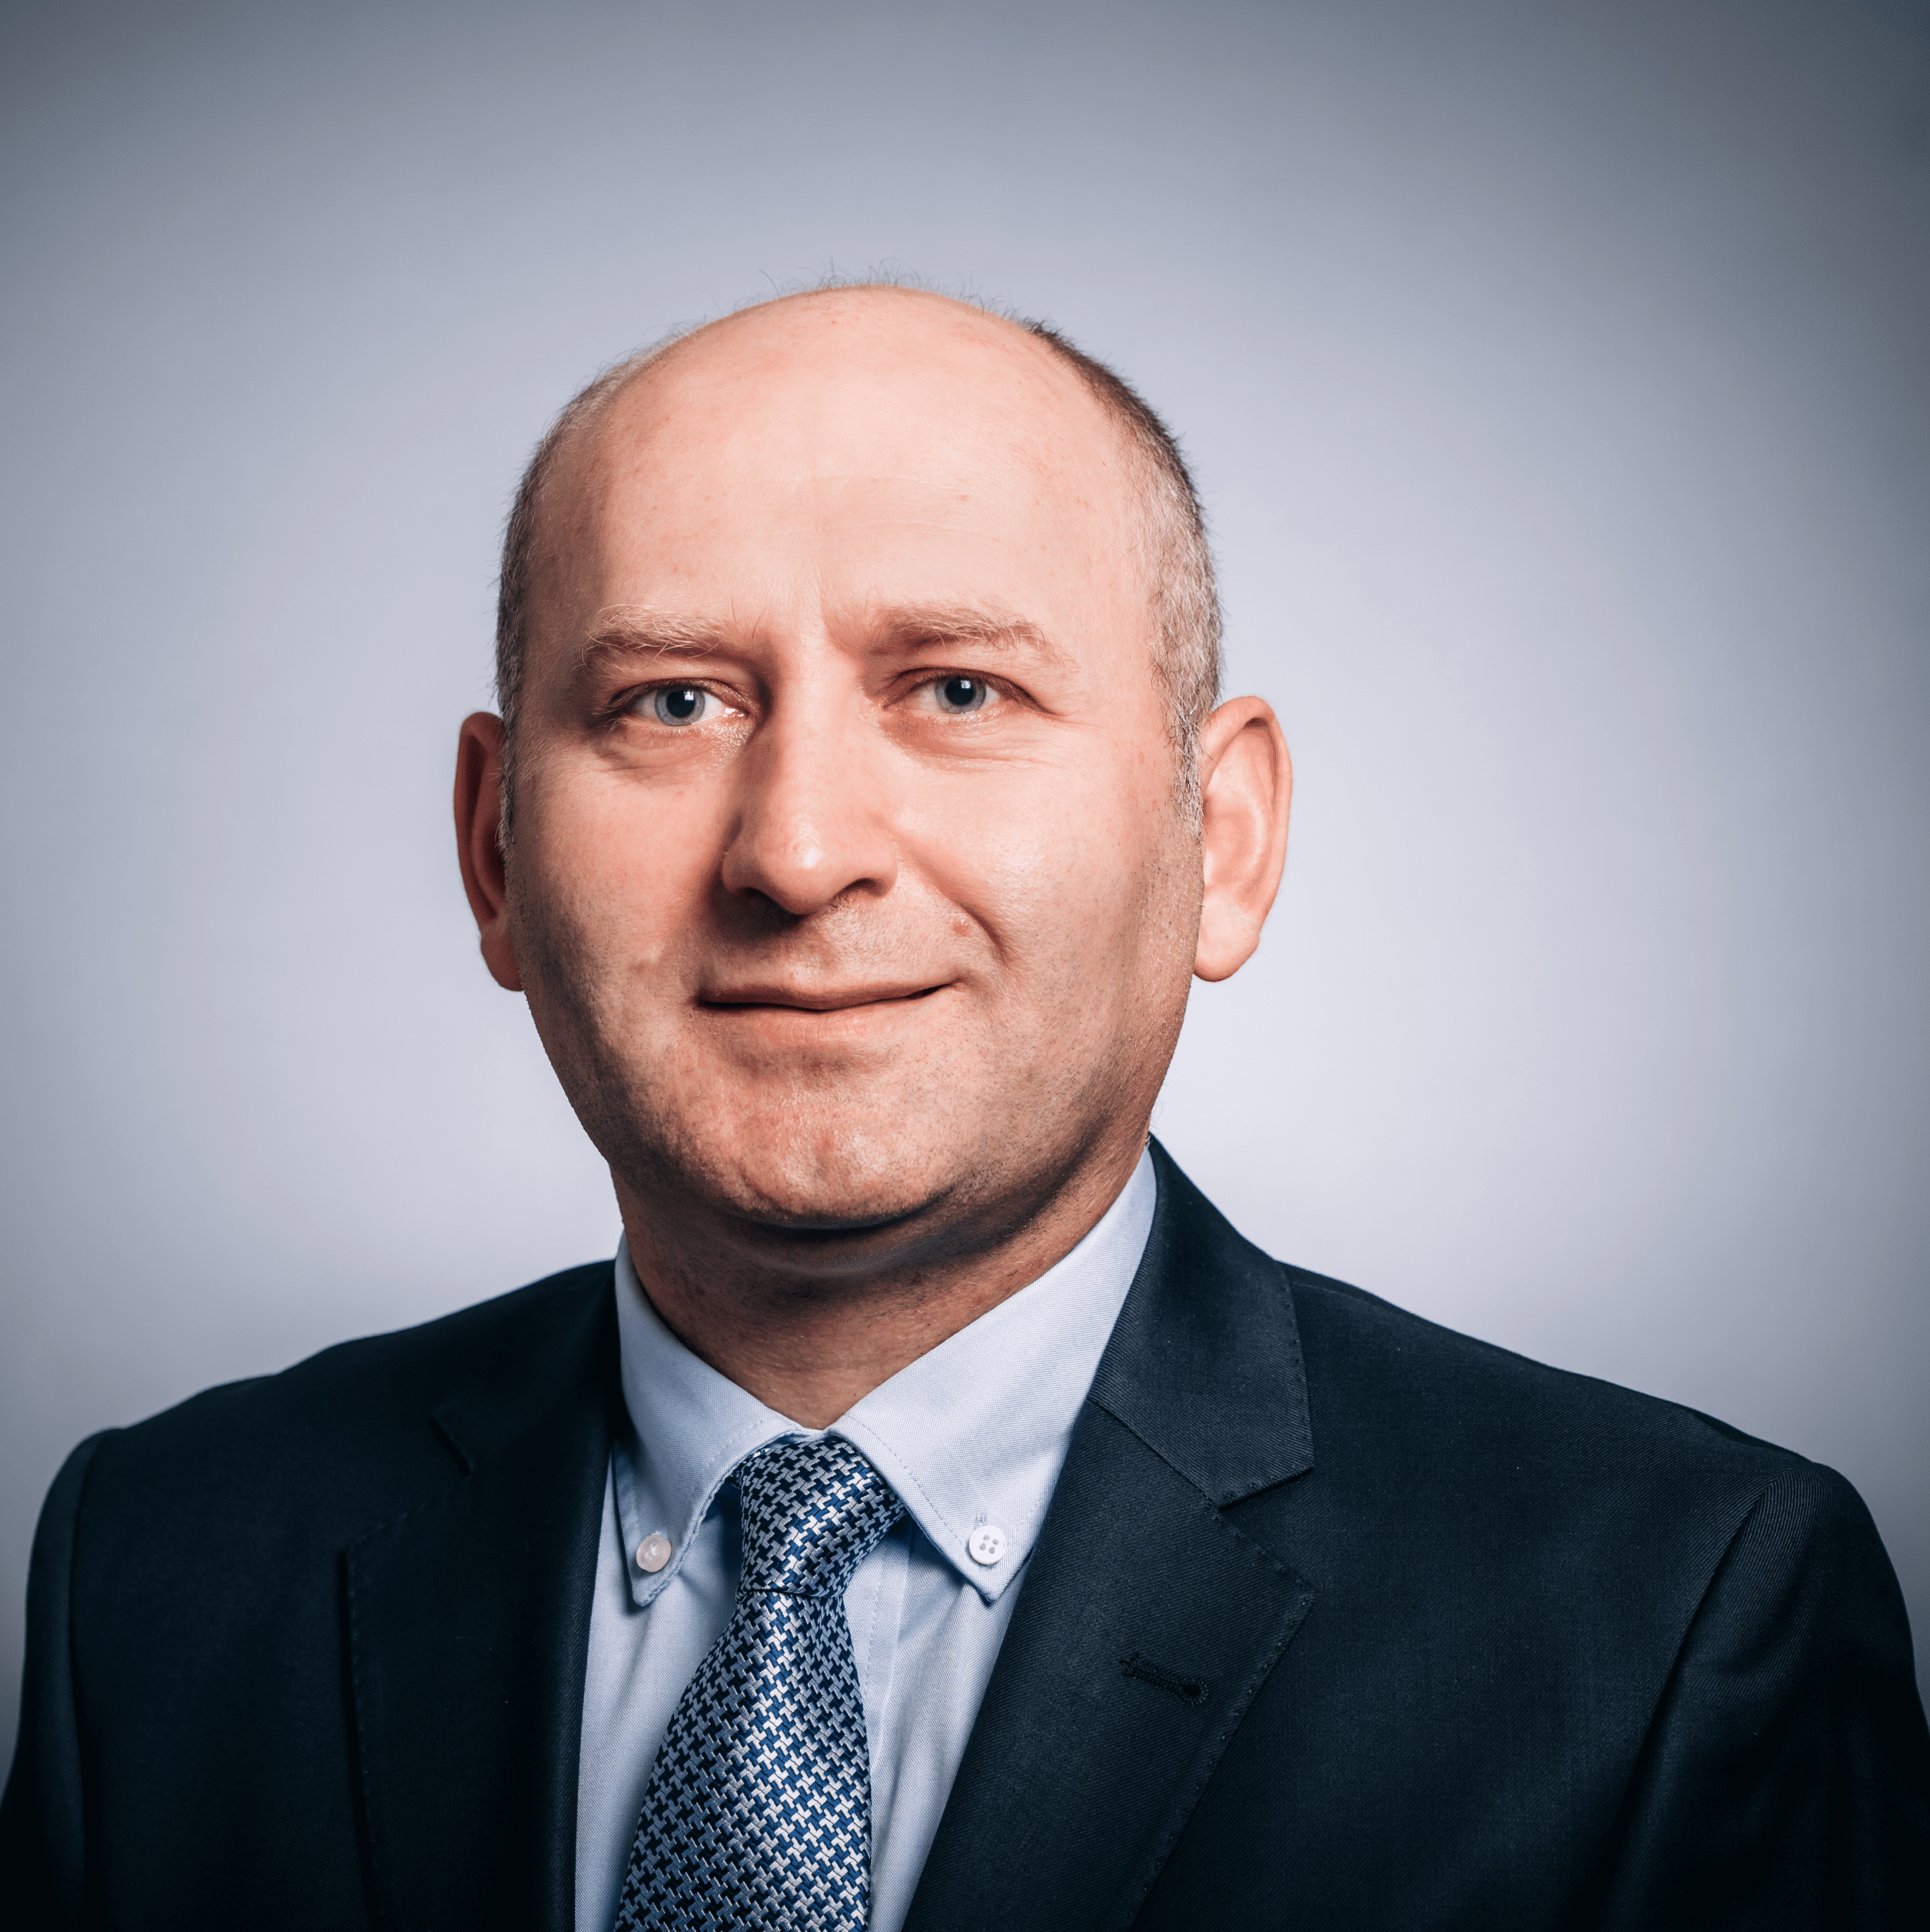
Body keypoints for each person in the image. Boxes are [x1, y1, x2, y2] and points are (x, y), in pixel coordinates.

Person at [3, 284, 1925, 1931]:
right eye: (672, 702)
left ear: (1221, 834)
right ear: (493, 848)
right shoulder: (157, 1568)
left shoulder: (1672, 1620)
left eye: (957, 688)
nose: (801, 847)